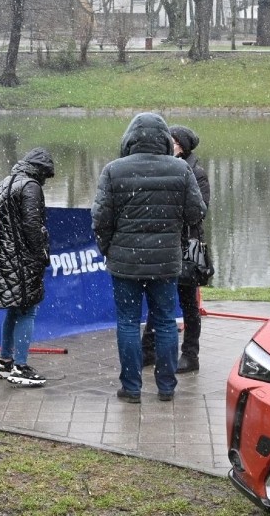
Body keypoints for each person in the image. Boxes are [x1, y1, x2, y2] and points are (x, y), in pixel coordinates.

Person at [91, 113, 206, 404]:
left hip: (124, 262)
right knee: (166, 322)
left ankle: (131, 388)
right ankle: (166, 388)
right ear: (165, 140)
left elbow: (101, 218)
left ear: (129, 138)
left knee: (128, 322)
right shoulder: (181, 170)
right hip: (166, 263)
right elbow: (196, 213)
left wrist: (108, 248)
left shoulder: (114, 170)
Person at [0, 147, 55, 387]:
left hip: (3, 258)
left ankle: (4, 362)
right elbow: (32, 225)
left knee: (13, 308)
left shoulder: (5, 182)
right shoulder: (31, 187)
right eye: (46, 175)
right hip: (24, 260)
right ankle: (20, 366)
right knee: (27, 310)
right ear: (40, 170)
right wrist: (42, 251)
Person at [142, 125, 211, 373]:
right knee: (159, 297)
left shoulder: (197, 173)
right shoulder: (162, 167)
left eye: (171, 141)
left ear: (181, 145)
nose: (166, 144)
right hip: (164, 243)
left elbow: (199, 211)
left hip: (186, 248)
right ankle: (147, 350)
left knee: (188, 303)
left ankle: (190, 354)